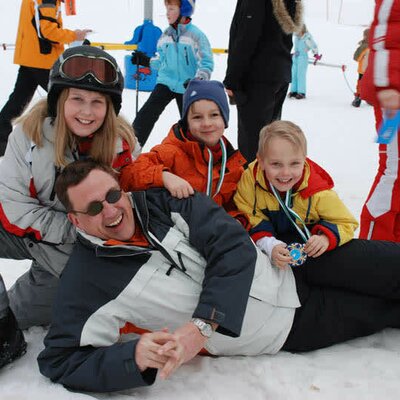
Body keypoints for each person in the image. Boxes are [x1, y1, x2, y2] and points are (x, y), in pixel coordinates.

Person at [37, 159, 400, 393]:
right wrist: (131, 358)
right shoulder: (86, 280)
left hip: (293, 261)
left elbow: (233, 247)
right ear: (76, 220)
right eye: (95, 207)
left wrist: (203, 326)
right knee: (385, 310)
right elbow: (59, 359)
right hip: (284, 328)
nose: (112, 209)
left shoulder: (164, 202)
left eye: (113, 194)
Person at [0, 45, 138, 369]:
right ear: (59, 99)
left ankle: (23, 307)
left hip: (73, 253)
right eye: (77, 98)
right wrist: (73, 225)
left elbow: (122, 216)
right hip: (27, 230)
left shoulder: (122, 146)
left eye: (97, 102)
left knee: (28, 313)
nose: (86, 111)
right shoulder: (28, 135)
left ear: (110, 107)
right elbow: (13, 205)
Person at [120, 79, 247, 224]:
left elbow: (237, 206)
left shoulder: (233, 166)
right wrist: (163, 176)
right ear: (187, 122)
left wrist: (237, 220)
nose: (206, 123)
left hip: (212, 235)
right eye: (197, 117)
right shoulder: (172, 151)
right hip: (173, 232)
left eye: (214, 115)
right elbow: (128, 174)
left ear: (225, 119)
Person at [234, 120, 358, 268]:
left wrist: (325, 238)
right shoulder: (250, 182)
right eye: (276, 164)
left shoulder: (317, 191)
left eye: (294, 164)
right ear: (260, 161)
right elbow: (247, 213)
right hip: (274, 247)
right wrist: (268, 243)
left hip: (308, 248)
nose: (285, 173)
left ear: (304, 160)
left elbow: (346, 222)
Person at [0, 0, 91, 156]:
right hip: (41, 59)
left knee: (18, 100)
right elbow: (47, 31)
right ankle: (71, 142)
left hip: (32, 57)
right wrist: (74, 35)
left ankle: (2, 141)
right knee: (63, 99)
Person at [224, 0, 304, 163]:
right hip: (278, 74)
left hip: (256, 78)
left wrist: (232, 79)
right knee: (270, 140)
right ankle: (269, 184)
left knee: (253, 146)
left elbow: (246, 37)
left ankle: (254, 186)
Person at [132, 0, 214, 148]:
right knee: (147, 112)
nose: (167, 13)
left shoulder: (196, 35)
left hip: (187, 85)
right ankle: (131, 147)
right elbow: (161, 61)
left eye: (171, 9)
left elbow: (206, 63)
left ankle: (196, 152)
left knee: (189, 123)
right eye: (167, 9)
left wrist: (198, 80)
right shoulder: (165, 35)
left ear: (184, 10)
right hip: (166, 82)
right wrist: (146, 61)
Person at [358, 0, 400, 241]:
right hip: (393, 101)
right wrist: (388, 84)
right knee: (393, 171)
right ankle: (373, 242)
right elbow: (386, 26)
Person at [288, 24, 320, 100]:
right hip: (296, 57)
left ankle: (301, 92)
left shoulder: (306, 37)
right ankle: (294, 91)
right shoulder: (296, 37)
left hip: (302, 57)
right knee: (294, 74)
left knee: (300, 74)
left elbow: (314, 46)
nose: (297, 32)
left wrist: (315, 54)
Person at [351, 28, 370, 108]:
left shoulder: (364, 46)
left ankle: (357, 100)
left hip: (363, 69)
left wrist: (361, 46)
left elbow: (356, 57)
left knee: (360, 84)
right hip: (373, 70)